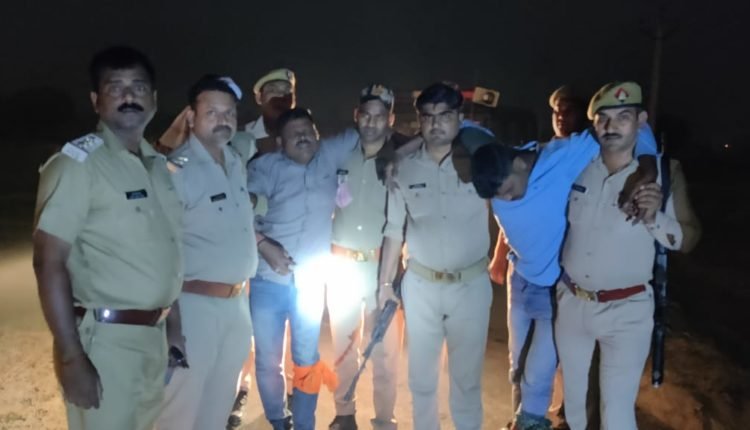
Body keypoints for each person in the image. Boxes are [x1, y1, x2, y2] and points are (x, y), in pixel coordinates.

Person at [470, 92, 658, 430]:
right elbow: (465, 130)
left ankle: (533, 421)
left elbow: (633, 127)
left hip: (554, 289)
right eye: (497, 197)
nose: (505, 200)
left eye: (508, 190)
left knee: (538, 372)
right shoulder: (497, 177)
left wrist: (648, 166)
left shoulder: (563, 157)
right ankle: (524, 421)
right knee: (518, 368)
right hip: (519, 280)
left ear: (518, 163)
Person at [31, 46, 182, 430]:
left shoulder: (157, 167)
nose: (129, 96)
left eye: (139, 87)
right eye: (116, 88)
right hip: (106, 344)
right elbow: (48, 261)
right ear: (96, 101)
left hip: (153, 339)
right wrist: (71, 357)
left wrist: (173, 327)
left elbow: (166, 254)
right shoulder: (77, 165)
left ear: (154, 99)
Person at [555, 81, 701, 430]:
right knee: (574, 405)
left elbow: (690, 238)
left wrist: (654, 218)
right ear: (593, 123)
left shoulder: (664, 173)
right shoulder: (575, 164)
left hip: (627, 310)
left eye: (623, 117)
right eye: (603, 118)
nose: (611, 126)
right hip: (572, 302)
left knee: (617, 414)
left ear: (641, 120)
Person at [378, 82, 494, 430]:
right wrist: (385, 284)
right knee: (421, 380)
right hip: (421, 285)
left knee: (466, 382)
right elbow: (393, 229)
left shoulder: (481, 162)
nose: (435, 124)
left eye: (445, 115)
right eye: (427, 117)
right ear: (419, 121)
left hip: (470, 285)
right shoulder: (403, 168)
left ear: (460, 118)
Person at [247, 107, 360, 430]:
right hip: (267, 281)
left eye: (308, 131)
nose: (303, 137)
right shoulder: (265, 168)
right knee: (268, 361)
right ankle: (278, 420)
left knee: (306, 359)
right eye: (294, 134)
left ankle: (304, 424)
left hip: (310, 282)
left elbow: (369, 129)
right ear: (279, 143)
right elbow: (239, 206)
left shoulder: (329, 155)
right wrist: (260, 241)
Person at [156, 75, 256, 430]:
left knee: (218, 406)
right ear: (191, 117)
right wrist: (173, 323)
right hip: (194, 307)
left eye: (229, 113)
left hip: (236, 306)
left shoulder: (235, 163)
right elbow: (163, 250)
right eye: (212, 112)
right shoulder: (176, 171)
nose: (222, 119)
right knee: (179, 410)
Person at [326, 84, 404, 430]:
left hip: (380, 269)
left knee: (384, 354)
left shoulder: (399, 161)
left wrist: (389, 279)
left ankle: (384, 420)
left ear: (391, 120)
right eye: (366, 115)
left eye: (379, 116)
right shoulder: (340, 155)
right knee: (343, 348)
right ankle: (344, 414)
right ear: (356, 116)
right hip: (341, 264)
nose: (371, 123)